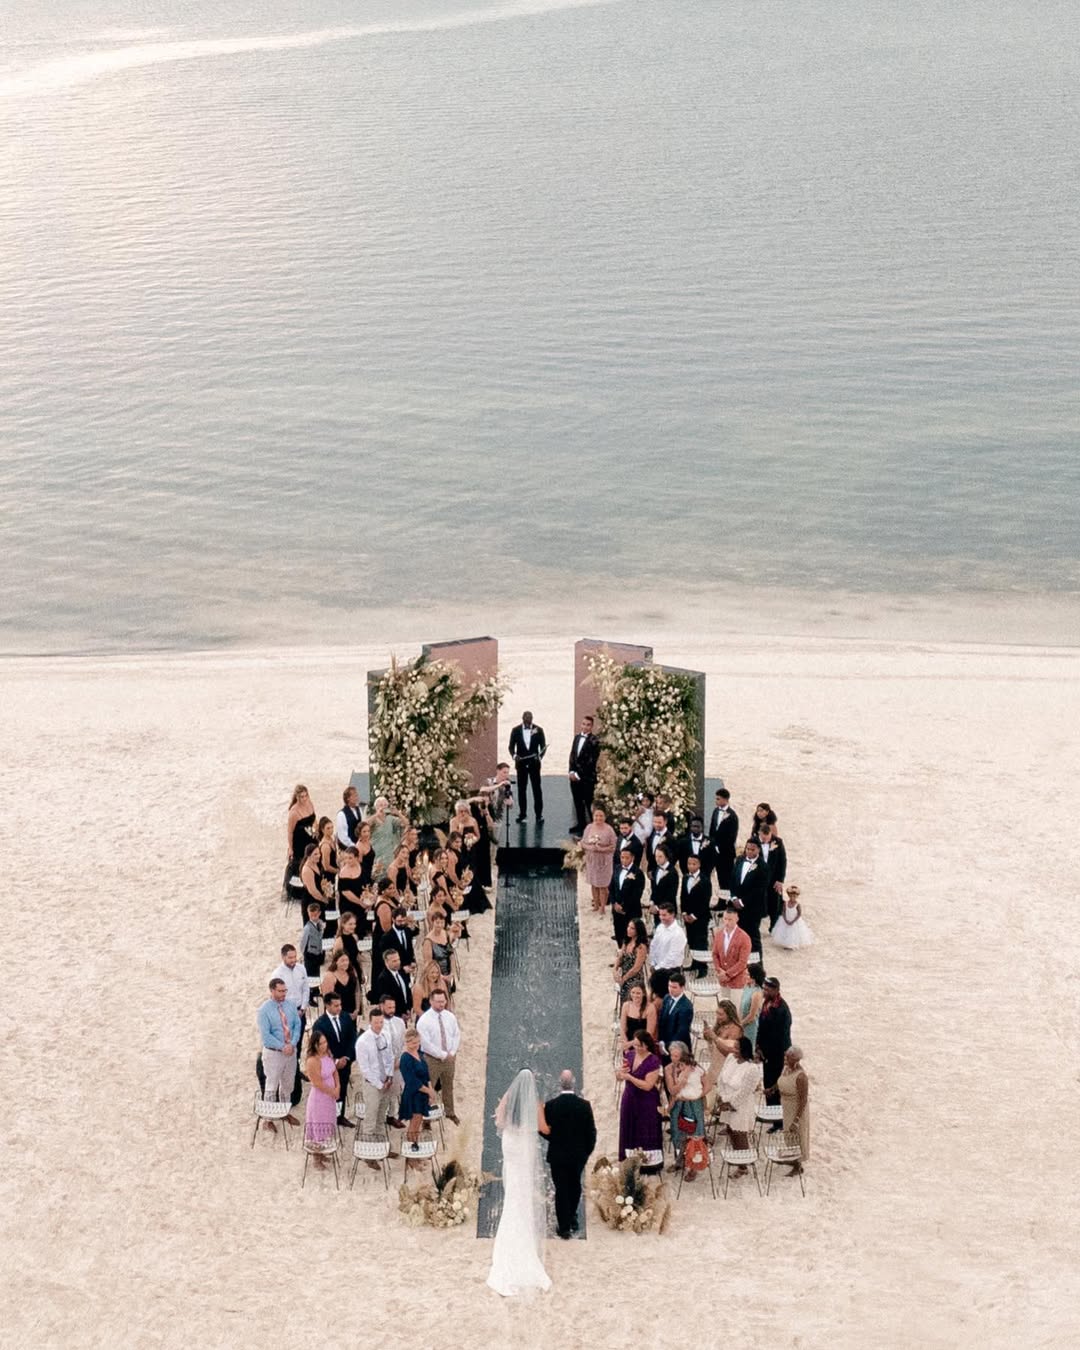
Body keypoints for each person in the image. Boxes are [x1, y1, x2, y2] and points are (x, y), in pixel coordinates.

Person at [486, 1069, 551, 1297]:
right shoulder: (534, 1100)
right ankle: (524, 1247)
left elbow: (499, 1119)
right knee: (522, 1191)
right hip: (523, 1144)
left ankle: (509, 1245)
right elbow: (541, 1127)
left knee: (512, 1189)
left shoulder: (508, 1095)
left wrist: (511, 1127)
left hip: (510, 1143)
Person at [539, 1069, 597, 1239]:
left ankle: (564, 1226)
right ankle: (572, 1217)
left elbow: (543, 1130)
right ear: (574, 1083)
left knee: (561, 1189)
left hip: (557, 1154)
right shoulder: (584, 1105)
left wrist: (553, 1139)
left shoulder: (551, 1105)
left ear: (560, 1084)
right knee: (575, 1186)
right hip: (578, 1155)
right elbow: (591, 1132)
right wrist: (586, 1152)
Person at [256, 979, 301, 1128]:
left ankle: (284, 1111)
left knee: (288, 1084)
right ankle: (268, 1119)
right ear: (272, 990)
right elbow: (266, 1036)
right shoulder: (264, 1010)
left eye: (285, 991)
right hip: (274, 1053)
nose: (283, 994)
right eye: (280, 991)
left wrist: (292, 1043)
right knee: (271, 1085)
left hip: (291, 1051)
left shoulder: (290, 1005)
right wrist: (282, 1047)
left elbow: (297, 1025)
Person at [617, 1031, 663, 1166]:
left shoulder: (653, 1061)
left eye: (638, 1045)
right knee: (628, 1126)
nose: (635, 1047)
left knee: (645, 1129)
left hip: (646, 1100)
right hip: (630, 1097)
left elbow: (648, 1086)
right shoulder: (629, 1055)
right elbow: (620, 1075)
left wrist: (629, 1077)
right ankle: (629, 1160)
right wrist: (620, 1074)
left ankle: (648, 1163)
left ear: (646, 1046)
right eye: (635, 1044)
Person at [311, 991, 357, 1128]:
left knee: (342, 1089)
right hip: (329, 1065)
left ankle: (339, 1116)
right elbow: (319, 1048)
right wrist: (335, 1061)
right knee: (329, 1091)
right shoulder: (319, 1024)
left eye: (340, 1005)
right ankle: (329, 1116)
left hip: (346, 1062)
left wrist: (347, 1057)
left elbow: (352, 1038)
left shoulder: (345, 1017)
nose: (339, 1008)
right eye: (336, 1006)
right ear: (327, 1006)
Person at [417, 989, 461, 1124]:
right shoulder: (424, 1020)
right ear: (431, 1001)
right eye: (438, 1001)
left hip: (449, 1058)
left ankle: (450, 1112)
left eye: (443, 1001)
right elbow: (426, 1044)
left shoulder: (450, 1017)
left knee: (448, 1085)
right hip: (432, 1059)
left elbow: (456, 1035)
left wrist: (452, 1052)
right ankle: (426, 1120)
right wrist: (442, 1055)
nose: (441, 1004)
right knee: (429, 1088)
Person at [355, 1007, 395, 1152]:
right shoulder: (363, 1042)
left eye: (381, 1022)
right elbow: (365, 1069)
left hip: (386, 1082)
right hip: (372, 1084)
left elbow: (389, 1057)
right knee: (370, 1118)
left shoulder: (386, 1035)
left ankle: (380, 1147)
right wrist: (379, 1084)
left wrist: (389, 1077)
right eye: (376, 1022)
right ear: (370, 1022)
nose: (379, 1025)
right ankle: (368, 1151)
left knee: (381, 1116)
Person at [715, 1036, 762, 1158]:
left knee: (739, 1134)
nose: (733, 1050)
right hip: (725, 1101)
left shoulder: (752, 1069)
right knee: (731, 1131)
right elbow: (720, 1079)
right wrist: (721, 1097)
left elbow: (744, 1093)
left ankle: (744, 1164)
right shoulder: (730, 1058)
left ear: (744, 1050)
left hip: (740, 1107)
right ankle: (738, 1160)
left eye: (737, 1048)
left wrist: (729, 1103)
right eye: (734, 1047)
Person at [663, 1042, 705, 1175]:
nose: (673, 1059)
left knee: (694, 1133)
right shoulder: (668, 1068)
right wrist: (683, 1079)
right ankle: (679, 1160)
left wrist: (697, 1095)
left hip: (694, 1103)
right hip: (678, 1103)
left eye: (676, 1056)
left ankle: (694, 1166)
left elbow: (707, 1084)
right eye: (672, 1055)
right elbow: (672, 1090)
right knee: (677, 1132)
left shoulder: (695, 1067)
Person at [399, 1028, 436, 1164]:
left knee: (418, 1123)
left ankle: (415, 1151)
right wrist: (428, 1091)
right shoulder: (405, 1058)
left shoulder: (420, 1054)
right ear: (407, 1042)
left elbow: (426, 1074)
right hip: (413, 1095)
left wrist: (431, 1090)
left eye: (418, 1042)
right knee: (413, 1126)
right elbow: (411, 1081)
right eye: (413, 1043)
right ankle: (411, 1158)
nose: (416, 1045)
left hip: (423, 1094)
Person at [729, 838, 771, 956]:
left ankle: (757, 963)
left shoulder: (763, 867)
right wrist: (734, 898)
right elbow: (733, 880)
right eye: (747, 849)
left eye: (752, 849)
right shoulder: (739, 860)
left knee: (752, 937)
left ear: (758, 850)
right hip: (736, 905)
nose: (749, 851)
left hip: (753, 908)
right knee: (737, 935)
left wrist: (742, 901)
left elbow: (759, 890)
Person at [757, 976, 793, 1113]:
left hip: (777, 1054)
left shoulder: (782, 1010)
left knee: (776, 1086)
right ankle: (770, 1112)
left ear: (776, 990)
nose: (764, 992)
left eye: (767, 990)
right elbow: (761, 1027)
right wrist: (758, 1046)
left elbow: (783, 1035)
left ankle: (778, 1118)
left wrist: (784, 1056)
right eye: (764, 989)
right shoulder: (767, 1004)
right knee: (768, 1083)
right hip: (766, 1053)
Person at [302, 1030, 339, 1160]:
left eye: (325, 1042)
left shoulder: (328, 1054)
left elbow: (334, 1071)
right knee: (319, 1125)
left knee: (328, 1121)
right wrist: (332, 1091)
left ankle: (322, 1153)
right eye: (321, 1043)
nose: (324, 1045)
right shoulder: (312, 1060)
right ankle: (316, 1157)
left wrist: (338, 1087)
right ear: (315, 1045)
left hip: (330, 1098)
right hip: (319, 1098)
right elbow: (317, 1083)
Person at [509, 711, 546, 823]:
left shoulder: (539, 730)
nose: (528, 721)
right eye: (526, 718)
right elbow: (511, 747)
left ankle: (539, 815)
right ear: (522, 718)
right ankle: (522, 814)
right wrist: (515, 756)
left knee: (537, 789)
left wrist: (539, 757)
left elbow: (543, 747)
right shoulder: (515, 730)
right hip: (521, 765)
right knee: (521, 790)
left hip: (534, 764)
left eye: (530, 719)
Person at [777, 1046, 810, 1171]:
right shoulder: (786, 1069)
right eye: (785, 1056)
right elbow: (783, 1081)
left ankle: (798, 1166)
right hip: (787, 1107)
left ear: (796, 1059)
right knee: (788, 1134)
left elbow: (803, 1099)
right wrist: (772, 1089)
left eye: (788, 1057)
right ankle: (792, 1159)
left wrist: (796, 1120)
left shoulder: (801, 1077)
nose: (785, 1059)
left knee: (797, 1135)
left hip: (796, 1108)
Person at [679, 852, 712, 974]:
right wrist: (684, 913)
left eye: (694, 864)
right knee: (691, 940)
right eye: (689, 864)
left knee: (700, 941)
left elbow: (705, 901)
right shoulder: (685, 878)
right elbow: (683, 897)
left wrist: (694, 916)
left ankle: (702, 967)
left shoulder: (705, 880)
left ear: (699, 865)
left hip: (700, 917)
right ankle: (694, 963)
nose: (691, 866)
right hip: (688, 915)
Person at [567, 715, 600, 834]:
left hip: (587, 778)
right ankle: (581, 825)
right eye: (584, 724)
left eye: (588, 725)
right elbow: (572, 755)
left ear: (592, 727)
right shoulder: (577, 738)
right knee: (578, 802)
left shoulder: (594, 741)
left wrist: (578, 774)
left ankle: (594, 828)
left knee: (588, 802)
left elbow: (591, 761)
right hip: (574, 777)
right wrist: (571, 771)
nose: (585, 727)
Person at [712, 903, 752, 999]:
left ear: (737, 919)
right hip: (723, 981)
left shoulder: (744, 937)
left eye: (730, 920)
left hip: (737, 981)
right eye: (725, 919)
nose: (727, 922)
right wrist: (719, 970)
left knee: (736, 1007)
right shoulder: (718, 934)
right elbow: (715, 954)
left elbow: (742, 962)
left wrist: (727, 974)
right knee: (724, 1005)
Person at [582, 805, 617, 912]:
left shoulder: (609, 830)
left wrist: (601, 849)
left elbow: (613, 846)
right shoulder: (589, 827)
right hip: (592, 860)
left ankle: (602, 907)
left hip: (604, 861)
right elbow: (583, 843)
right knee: (594, 884)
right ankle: (596, 905)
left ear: (605, 817)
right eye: (596, 816)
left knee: (602, 885)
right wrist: (591, 848)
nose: (598, 818)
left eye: (601, 816)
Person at [648, 900, 686, 997]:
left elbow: (672, 956)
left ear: (672, 914)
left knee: (669, 998)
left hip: (671, 971)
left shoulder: (678, 933)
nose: (661, 917)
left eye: (664, 915)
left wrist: (657, 968)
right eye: (660, 915)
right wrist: (653, 963)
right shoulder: (660, 927)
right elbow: (653, 946)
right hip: (658, 968)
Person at [610, 846, 645, 947]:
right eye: (622, 857)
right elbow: (611, 887)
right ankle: (621, 951)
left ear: (632, 858)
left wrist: (624, 908)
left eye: (627, 858)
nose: (624, 860)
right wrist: (614, 903)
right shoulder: (617, 868)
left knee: (630, 936)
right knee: (619, 933)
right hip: (617, 910)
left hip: (631, 911)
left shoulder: (638, 873)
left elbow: (637, 894)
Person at [657, 972, 694, 1063]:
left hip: (678, 1048)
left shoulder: (686, 1006)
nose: (671, 989)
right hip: (664, 1044)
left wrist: (666, 1046)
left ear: (682, 988)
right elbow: (662, 1020)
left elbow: (681, 1031)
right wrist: (661, 1041)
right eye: (669, 986)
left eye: (674, 987)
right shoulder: (667, 998)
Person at [758, 822, 787, 931]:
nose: (765, 840)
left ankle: (773, 925)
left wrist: (780, 880)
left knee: (774, 902)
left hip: (774, 878)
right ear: (759, 834)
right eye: (763, 838)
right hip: (759, 878)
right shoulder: (754, 841)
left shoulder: (778, 842)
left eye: (767, 838)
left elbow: (782, 862)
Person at [366, 796, 409, 869]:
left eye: (385, 805)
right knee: (376, 871)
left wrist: (398, 813)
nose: (383, 807)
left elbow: (406, 823)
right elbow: (365, 824)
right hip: (376, 851)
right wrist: (376, 814)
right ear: (376, 807)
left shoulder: (390, 819)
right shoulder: (373, 819)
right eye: (380, 805)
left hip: (388, 852)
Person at [708, 788, 739, 882]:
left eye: (718, 799)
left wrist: (720, 847)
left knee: (726, 878)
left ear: (725, 800)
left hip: (726, 852)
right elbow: (712, 829)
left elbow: (732, 836)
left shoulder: (732, 816)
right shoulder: (715, 811)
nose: (716, 801)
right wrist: (712, 844)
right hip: (715, 850)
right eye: (716, 798)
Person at [613, 918, 648, 1003]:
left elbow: (636, 968)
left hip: (635, 979)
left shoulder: (641, 947)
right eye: (628, 927)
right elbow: (620, 957)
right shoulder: (626, 941)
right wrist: (614, 969)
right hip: (624, 976)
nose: (628, 929)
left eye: (632, 928)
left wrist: (624, 979)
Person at [371, 946, 412, 1018]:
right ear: (386, 962)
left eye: (398, 959)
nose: (398, 963)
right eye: (394, 961)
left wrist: (408, 1009)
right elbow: (387, 1000)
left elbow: (406, 992)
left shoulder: (401, 973)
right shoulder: (383, 978)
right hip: (394, 1015)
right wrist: (400, 1014)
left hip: (405, 1013)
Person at [320, 950, 361, 1019]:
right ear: (336, 962)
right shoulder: (330, 976)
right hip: (335, 1015)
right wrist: (342, 1015)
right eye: (342, 960)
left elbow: (357, 991)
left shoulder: (352, 971)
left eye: (347, 960)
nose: (345, 963)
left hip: (351, 1012)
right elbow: (328, 1000)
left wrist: (357, 1009)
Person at [298, 902, 325, 1005]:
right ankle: (309, 997)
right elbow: (303, 942)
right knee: (309, 975)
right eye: (311, 915)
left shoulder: (320, 923)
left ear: (319, 913)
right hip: (310, 954)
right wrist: (303, 954)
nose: (313, 917)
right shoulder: (307, 928)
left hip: (318, 953)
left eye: (315, 915)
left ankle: (316, 990)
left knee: (316, 972)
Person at [772, 884, 814, 949]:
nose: (792, 898)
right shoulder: (786, 903)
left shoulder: (797, 904)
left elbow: (799, 914)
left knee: (793, 933)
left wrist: (793, 921)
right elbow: (783, 911)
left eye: (794, 896)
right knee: (785, 932)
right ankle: (785, 943)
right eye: (791, 896)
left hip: (794, 921)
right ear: (789, 895)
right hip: (786, 919)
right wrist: (785, 919)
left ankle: (792, 945)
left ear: (797, 896)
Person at [739, 962, 767, 1051]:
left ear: (754, 977)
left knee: (749, 1050)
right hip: (742, 1022)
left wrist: (740, 1025)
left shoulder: (757, 993)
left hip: (750, 1027)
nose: (745, 976)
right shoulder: (747, 986)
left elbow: (752, 1016)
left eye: (747, 974)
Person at [679, 815, 716, 882]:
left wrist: (705, 874)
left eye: (698, 826)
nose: (695, 828)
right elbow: (682, 860)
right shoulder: (683, 842)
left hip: (704, 878)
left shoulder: (710, 842)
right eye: (693, 826)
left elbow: (712, 860)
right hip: (688, 876)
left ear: (702, 827)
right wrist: (686, 873)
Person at [619, 983, 650, 1051]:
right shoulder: (626, 1005)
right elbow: (622, 1028)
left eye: (638, 993)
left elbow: (649, 1033)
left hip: (643, 1044)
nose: (635, 995)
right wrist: (626, 1046)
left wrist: (631, 1044)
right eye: (633, 992)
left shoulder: (650, 1008)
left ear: (643, 994)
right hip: (628, 1042)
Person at [649, 844, 678, 915]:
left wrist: (658, 907)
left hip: (668, 911)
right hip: (656, 911)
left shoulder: (672, 872)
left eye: (660, 856)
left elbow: (671, 894)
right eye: (656, 856)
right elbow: (654, 889)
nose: (657, 859)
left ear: (666, 857)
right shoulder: (656, 869)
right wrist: (652, 902)